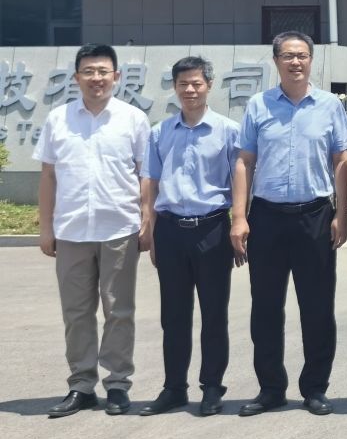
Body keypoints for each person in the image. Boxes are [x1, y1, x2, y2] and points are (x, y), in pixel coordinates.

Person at [230, 31, 347, 417]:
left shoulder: (329, 106)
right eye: (287, 56)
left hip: (315, 216)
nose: (295, 62)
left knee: (318, 307)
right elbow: (244, 161)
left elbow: (342, 161)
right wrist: (239, 217)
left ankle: (315, 388)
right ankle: (271, 389)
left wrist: (342, 214)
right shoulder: (259, 105)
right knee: (266, 307)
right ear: (276, 61)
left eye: (302, 56)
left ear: (311, 60)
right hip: (266, 217)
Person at [34, 43, 151, 418]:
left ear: (116, 76)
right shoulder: (58, 119)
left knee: (119, 310)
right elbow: (48, 176)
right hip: (71, 231)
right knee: (76, 312)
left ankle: (117, 384)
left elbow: (146, 174)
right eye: (88, 71)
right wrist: (46, 227)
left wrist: (146, 219)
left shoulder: (133, 119)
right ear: (76, 77)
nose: (96, 78)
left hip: (119, 228)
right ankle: (82, 385)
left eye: (103, 71)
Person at [138, 56, 240, 417]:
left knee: (214, 314)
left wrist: (240, 222)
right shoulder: (160, 132)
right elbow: (150, 182)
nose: (190, 90)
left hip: (212, 228)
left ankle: (212, 387)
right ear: (175, 87)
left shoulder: (228, 131)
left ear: (209, 85)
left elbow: (240, 181)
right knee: (174, 315)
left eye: (197, 83)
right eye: (183, 84)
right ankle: (174, 388)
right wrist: (150, 228)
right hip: (170, 230)